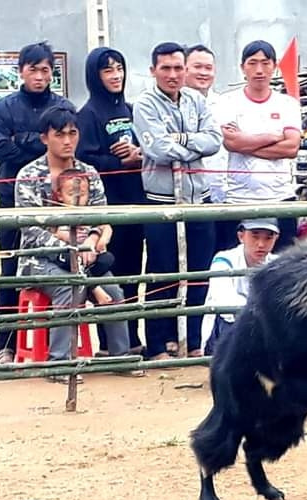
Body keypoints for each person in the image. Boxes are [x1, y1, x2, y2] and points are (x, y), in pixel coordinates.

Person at [14, 104, 144, 378]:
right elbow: (32, 230)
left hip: (88, 254)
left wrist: (93, 240)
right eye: (60, 134)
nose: (67, 141)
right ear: (44, 138)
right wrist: (71, 246)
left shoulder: (89, 173)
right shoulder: (28, 175)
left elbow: (101, 217)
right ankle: (59, 362)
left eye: (72, 133)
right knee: (67, 289)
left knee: (115, 291)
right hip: (40, 259)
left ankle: (120, 357)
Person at [132, 41, 221, 360]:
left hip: (199, 198)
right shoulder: (144, 104)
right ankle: (159, 343)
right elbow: (156, 148)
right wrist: (191, 144)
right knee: (162, 272)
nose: (172, 75)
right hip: (162, 199)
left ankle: (193, 340)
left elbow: (214, 140)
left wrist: (180, 140)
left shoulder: (197, 100)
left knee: (199, 273)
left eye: (178, 68)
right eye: (165, 68)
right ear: (153, 70)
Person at [0, 41, 73, 364]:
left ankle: (59, 343)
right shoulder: (4, 108)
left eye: (45, 70)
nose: (39, 76)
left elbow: (67, 149)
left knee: (63, 264)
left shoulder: (63, 105)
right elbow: (1, 149)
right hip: (13, 201)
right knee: (10, 271)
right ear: (20, 70)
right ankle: (6, 344)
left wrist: (22, 141)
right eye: (33, 69)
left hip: (59, 200)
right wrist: (41, 151)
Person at [76, 46, 148, 352]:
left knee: (134, 273)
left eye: (119, 67)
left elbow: (148, 147)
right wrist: (120, 163)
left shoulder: (132, 110)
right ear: (95, 75)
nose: (115, 75)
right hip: (107, 207)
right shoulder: (88, 115)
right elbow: (85, 160)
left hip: (136, 203)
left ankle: (132, 337)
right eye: (107, 69)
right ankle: (109, 342)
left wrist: (139, 155)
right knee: (109, 273)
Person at [214, 41, 302, 249]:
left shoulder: (287, 104)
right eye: (252, 63)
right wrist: (274, 136)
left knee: (282, 265)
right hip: (237, 199)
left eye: (265, 63)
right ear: (242, 67)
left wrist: (247, 141)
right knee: (234, 263)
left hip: (280, 198)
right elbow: (231, 142)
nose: (259, 70)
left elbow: (290, 148)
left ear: (275, 66)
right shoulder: (227, 102)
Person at [201, 218, 279, 355]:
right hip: (231, 328)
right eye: (255, 236)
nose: (261, 244)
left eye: (268, 238)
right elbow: (225, 301)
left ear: (275, 239)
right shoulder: (223, 259)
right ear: (241, 236)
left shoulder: (277, 263)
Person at [184, 44, 230, 248]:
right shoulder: (170, 104)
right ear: (184, 68)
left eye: (208, 68)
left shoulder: (225, 104)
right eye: (197, 67)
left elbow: (232, 139)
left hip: (223, 196)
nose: (203, 73)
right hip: (187, 198)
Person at [50, 168, 117, 305]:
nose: (78, 199)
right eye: (71, 194)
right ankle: (95, 288)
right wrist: (67, 238)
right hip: (68, 255)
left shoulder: (89, 213)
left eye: (83, 194)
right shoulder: (58, 213)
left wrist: (101, 241)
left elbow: (106, 227)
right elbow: (54, 233)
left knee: (108, 258)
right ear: (60, 195)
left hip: (90, 257)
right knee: (69, 260)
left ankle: (88, 280)